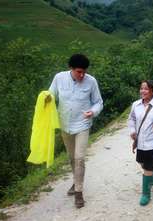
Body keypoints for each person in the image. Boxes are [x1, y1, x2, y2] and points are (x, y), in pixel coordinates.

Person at [47, 54, 103, 208]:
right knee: (72, 158)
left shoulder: (91, 81)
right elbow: (50, 95)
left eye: (84, 71)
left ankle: (79, 192)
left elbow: (98, 102)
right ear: (70, 68)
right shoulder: (59, 78)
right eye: (79, 72)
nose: (82, 75)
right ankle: (75, 181)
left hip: (83, 125)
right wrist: (45, 99)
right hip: (65, 125)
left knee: (79, 158)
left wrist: (93, 111)